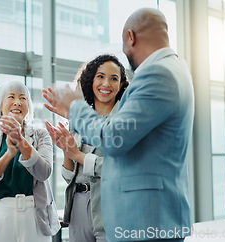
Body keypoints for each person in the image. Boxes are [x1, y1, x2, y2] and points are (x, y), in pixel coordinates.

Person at [43, 8, 194, 242]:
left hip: (146, 220)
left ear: (130, 37)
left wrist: (74, 106)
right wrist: (69, 147)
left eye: (114, 77)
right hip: (145, 218)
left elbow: (114, 139)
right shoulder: (175, 68)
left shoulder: (157, 73)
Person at [45, 54, 128, 242]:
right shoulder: (79, 120)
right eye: (100, 76)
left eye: (114, 78)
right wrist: (68, 151)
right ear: (91, 80)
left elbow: (120, 168)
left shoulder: (124, 122)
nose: (106, 83)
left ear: (121, 85)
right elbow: (69, 176)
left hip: (110, 202)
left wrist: (78, 155)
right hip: (78, 203)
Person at [0, 80, 60, 242]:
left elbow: (44, 172)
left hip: (34, 214)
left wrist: (20, 141)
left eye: (23, 98)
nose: (18, 102)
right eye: (11, 97)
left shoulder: (41, 135)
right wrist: (9, 154)